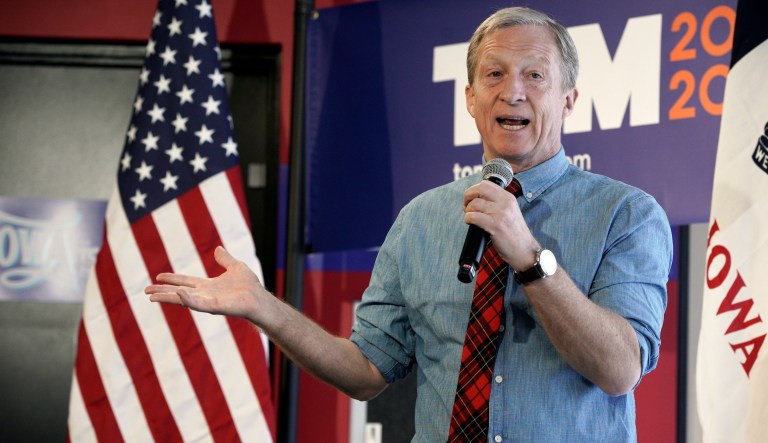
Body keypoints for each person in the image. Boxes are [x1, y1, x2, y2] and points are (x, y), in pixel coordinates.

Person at [146, 6, 672, 442]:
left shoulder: (627, 214)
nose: (513, 92)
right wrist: (266, 310)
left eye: (535, 75)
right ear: (469, 98)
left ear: (568, 100)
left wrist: (531, 260)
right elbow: (365, 371)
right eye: (494, 74)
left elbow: (620, 369)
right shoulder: (420, 220)